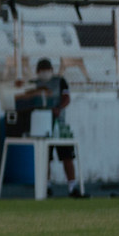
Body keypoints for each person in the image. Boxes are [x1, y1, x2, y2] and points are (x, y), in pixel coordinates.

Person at [24, 58, 83, 197]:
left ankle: (72, 186)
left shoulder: (60, 81)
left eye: (47, 69)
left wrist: (58, 108)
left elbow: (66, 98)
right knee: (45, 157)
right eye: (42, 70)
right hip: (40, 125)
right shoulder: (34, 84)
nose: (45, 73)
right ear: (37, 72)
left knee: (67, 156)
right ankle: (46, 186)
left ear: (52, 70)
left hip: (58, 124)